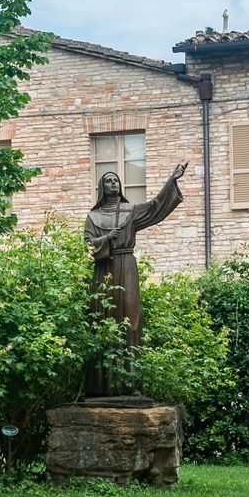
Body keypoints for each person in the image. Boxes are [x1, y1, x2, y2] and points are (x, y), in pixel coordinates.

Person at [83, 162, 186, 396]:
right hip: (104, 270)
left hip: (127, 267)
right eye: (108, 180)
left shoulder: (130, 212)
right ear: (101, 187)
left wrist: (172, 180)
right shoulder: (93, 216)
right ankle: (103, 387)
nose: (113, 183)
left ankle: (130, 384)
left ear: (120, 186)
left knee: (130, 318)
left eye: (116, 180)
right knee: (104, 319)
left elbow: (154, 207)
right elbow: (88, 246)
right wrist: (107, 238)